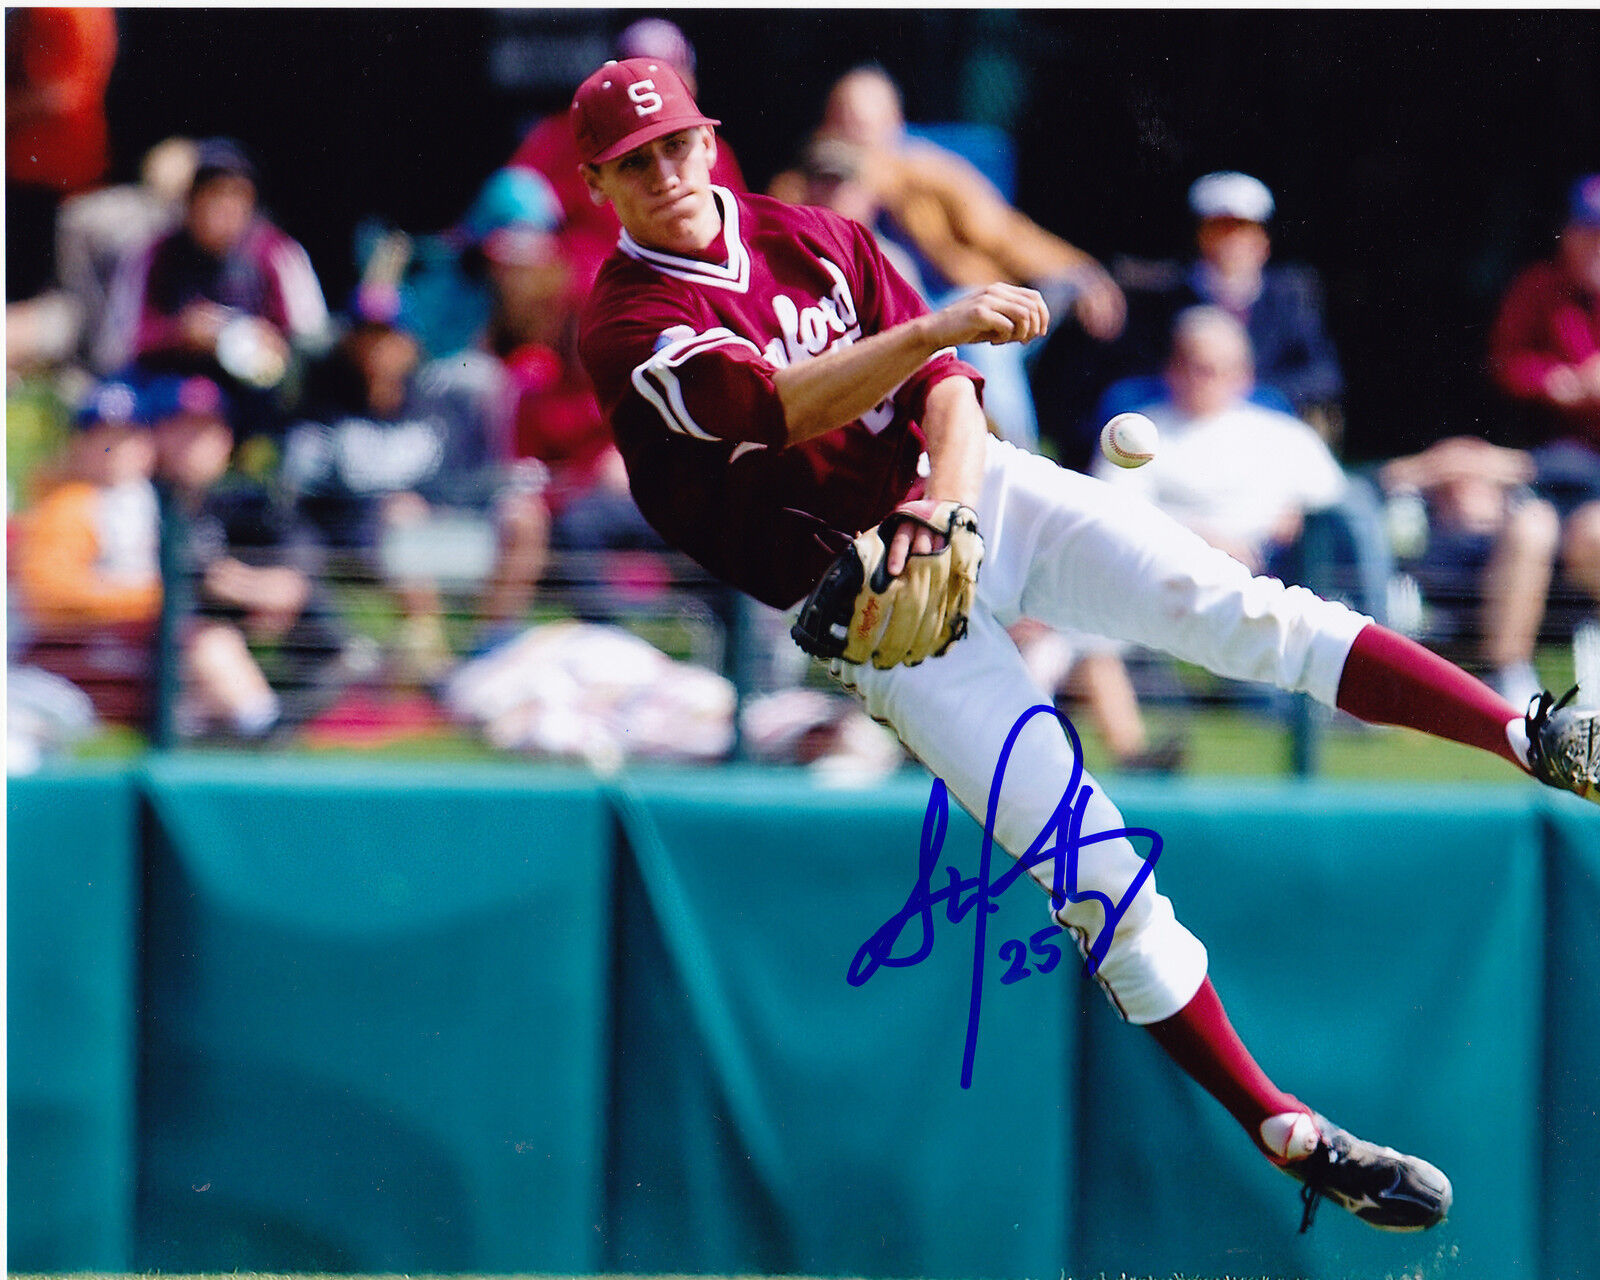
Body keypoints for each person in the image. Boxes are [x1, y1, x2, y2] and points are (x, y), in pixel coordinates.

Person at [568, 56, 1600, 1235]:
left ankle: (1531, 730)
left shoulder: (804, 235)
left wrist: (947, 502)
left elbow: (948, 392)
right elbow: (775, 407)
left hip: (969, 497)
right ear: (600, 182)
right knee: (1092, 869)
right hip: (874, 611)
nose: (668, 172)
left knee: (1245, 608)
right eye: (637, 162)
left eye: (680, 143)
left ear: (711, 139)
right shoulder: (626, 321)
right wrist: (941, 329)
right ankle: (1282, 1126)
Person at [769, 63, 1125, 449]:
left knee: (986, 332)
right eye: (845, 121)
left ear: (896, 124)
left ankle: (1016, 456)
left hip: (944, 303)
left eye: (867, 124)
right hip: (852, 320)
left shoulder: (928, 174)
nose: (857, 135)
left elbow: (1003, 234)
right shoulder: (804, 184)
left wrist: (1081, 271)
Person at [278, 318, 548, 683]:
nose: (380, 352)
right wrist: (383, 505)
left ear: (410, 344)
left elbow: (473, 478)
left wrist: (432, 503)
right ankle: (431, 660)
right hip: (360, 541)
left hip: (445, 528)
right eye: (369, 340)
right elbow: (306, 491)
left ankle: (490, 650)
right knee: (403, 517)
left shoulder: (440, 406)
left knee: (525, 514)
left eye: (390, 339)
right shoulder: (323, 408)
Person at [147, 373, 350, 738]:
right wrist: (223, 584)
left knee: (311, 606)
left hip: (238, 631)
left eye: (207, 432)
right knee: (209, 640)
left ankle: (292, 713)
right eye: (183, 430)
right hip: (159, 647)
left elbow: (299, 559)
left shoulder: (244, 500)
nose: (194, 444)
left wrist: (257, 587)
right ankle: (263, 728)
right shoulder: (143, 499)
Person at [98, 137, 332, 436]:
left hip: (257, 390)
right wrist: (181, 334)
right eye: (213, 193)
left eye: (237, 195)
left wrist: (274, 342)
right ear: (190, 200)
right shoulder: (152, 254)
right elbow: (117, 344)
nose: (225, 206)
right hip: (173, 388)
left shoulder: (277, 252)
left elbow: (314, 340)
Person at [507, 17, 747, 297]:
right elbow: (502, 210)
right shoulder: (562, 136)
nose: (665, 176)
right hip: (592, 293)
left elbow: (737, 238)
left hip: (694, 290)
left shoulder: (714, 152)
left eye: (674, 146)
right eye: (634, 161)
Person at [1115, 171, 1345, 433]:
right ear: (1201, 235)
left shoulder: (1290, 294)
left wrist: (1240, 388)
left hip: (1264, 411)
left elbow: (1322, 374)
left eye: (1243, 229)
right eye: (1220, 228)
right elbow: (1138, 362)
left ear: (1263, 238)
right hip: (1180, 412)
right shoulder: (1166, 292)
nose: (1232, 241)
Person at [1377, 436, 1562, 711]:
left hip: (1513, 573)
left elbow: (1580, 468)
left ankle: (1508, 675)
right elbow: (1369, 479)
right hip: (1429, 570)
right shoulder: (1414, 505)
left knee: (1537, 525)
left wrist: (1490, 464)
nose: (1465, 489)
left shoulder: (1530, 497)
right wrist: (1436, 466)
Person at [1488, 173, 1600, 616]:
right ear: (1567, 234)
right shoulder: (1538, 286)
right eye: (1587, 232)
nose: (1595, 245)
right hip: (1547, 461)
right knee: (1529, 529)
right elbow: (1506, 365)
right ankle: (1508, 677)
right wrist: (1554, 381)